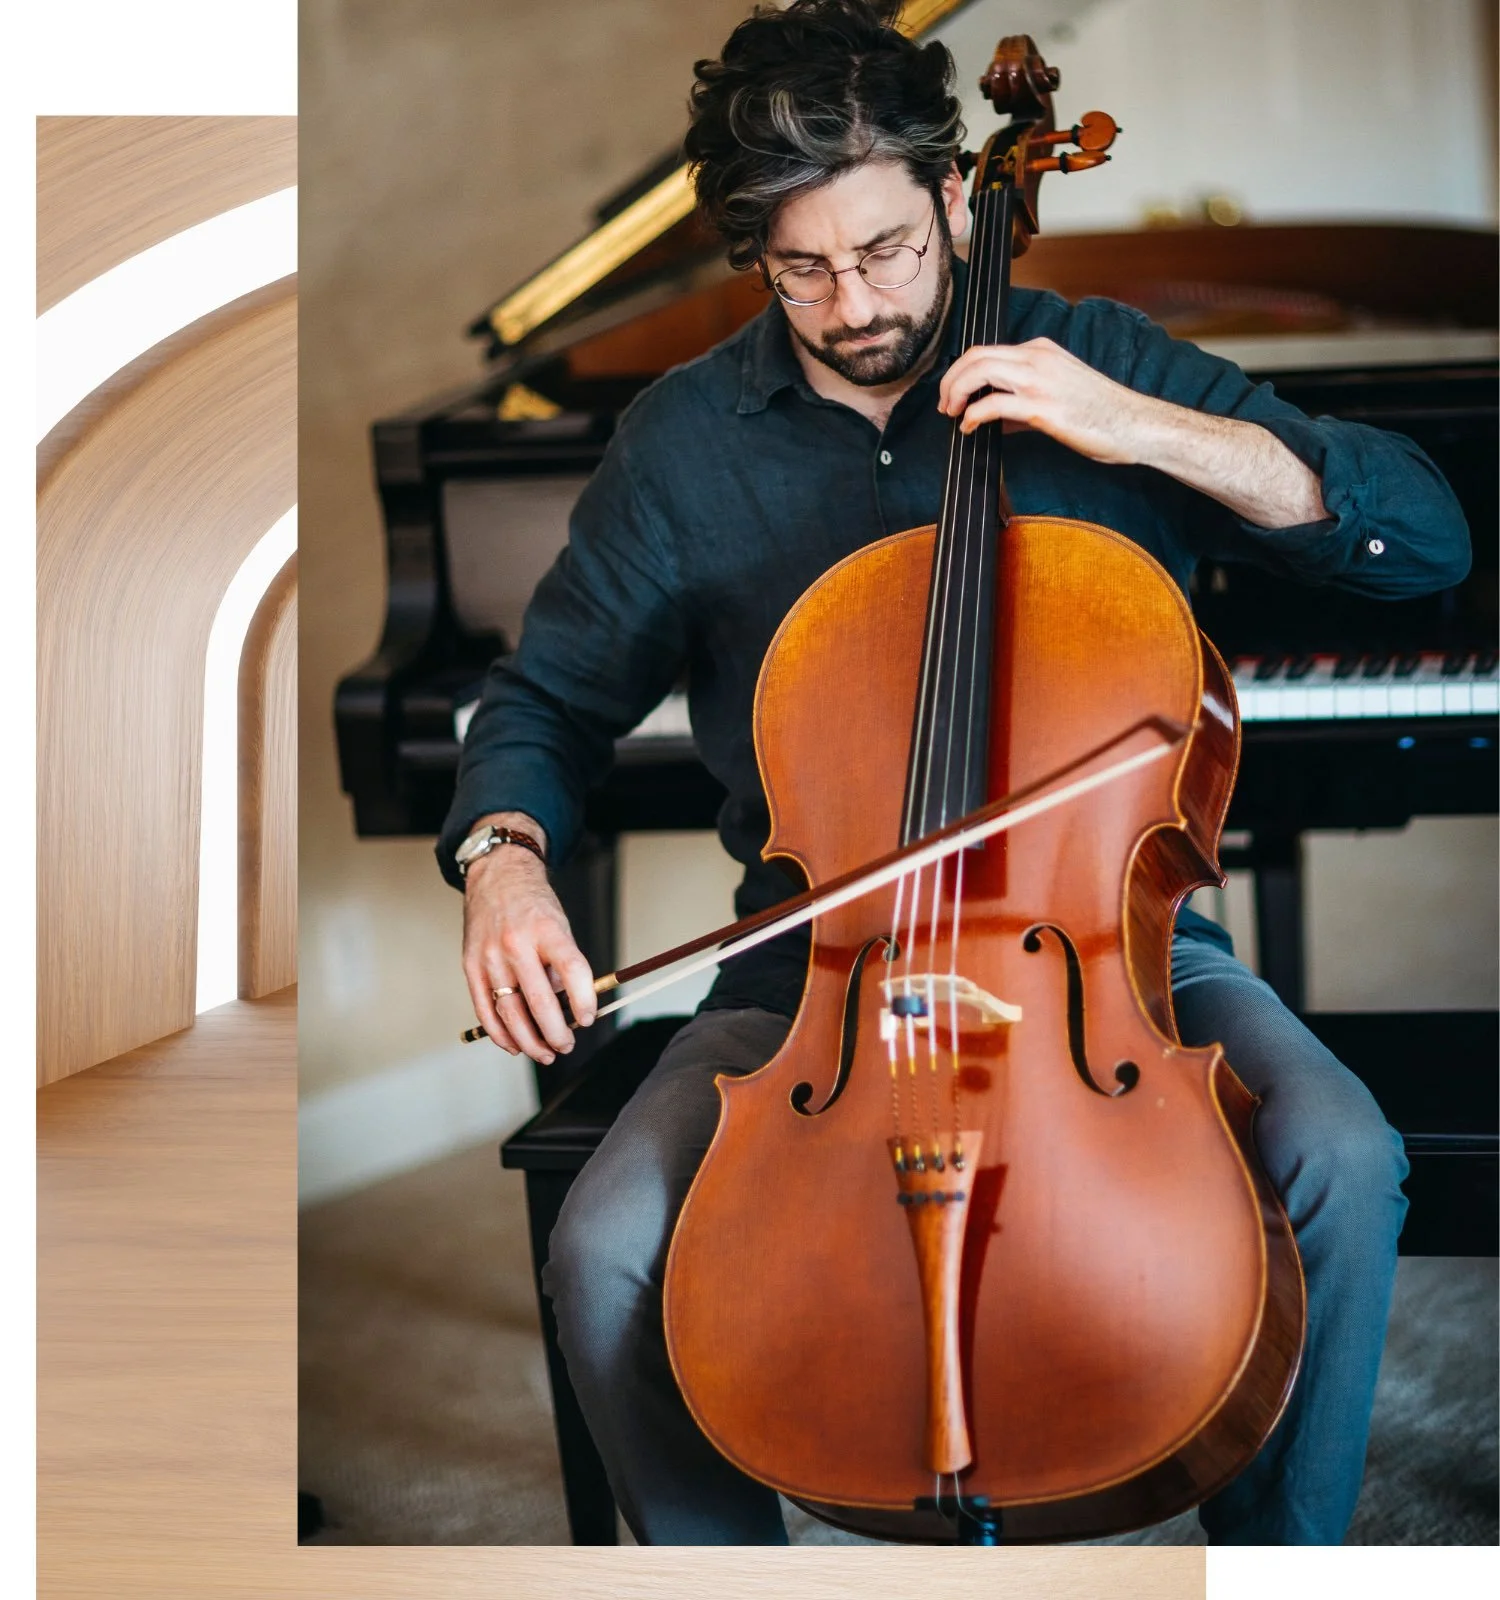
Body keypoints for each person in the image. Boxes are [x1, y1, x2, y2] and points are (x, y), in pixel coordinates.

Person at [436, 0, 1470, 1546]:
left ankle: (1279, 1569)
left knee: (1338, 1153)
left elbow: (1425, 538)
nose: (852, 302)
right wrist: (504, 858)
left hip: (1117, 961)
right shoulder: (683, 446)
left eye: (888, 253)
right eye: (802, 267)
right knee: (603, 1254)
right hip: (811, 978)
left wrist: (1146, 431)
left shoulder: (1098, 359)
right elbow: (546, 700)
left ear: (948, 199)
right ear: (752, 253)